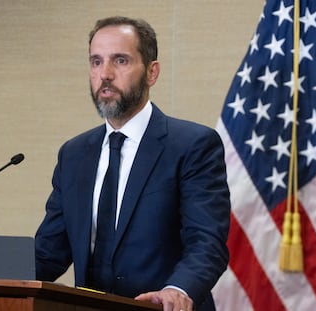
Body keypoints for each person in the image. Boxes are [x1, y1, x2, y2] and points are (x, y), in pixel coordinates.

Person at [35, 16, 230, 311]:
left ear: (152, 72)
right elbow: (50, 252)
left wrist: (177, 290)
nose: (106, 74)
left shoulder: (193, 145)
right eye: (96, 62)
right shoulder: (74, 154)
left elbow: (207, 242)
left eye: (121, 61)